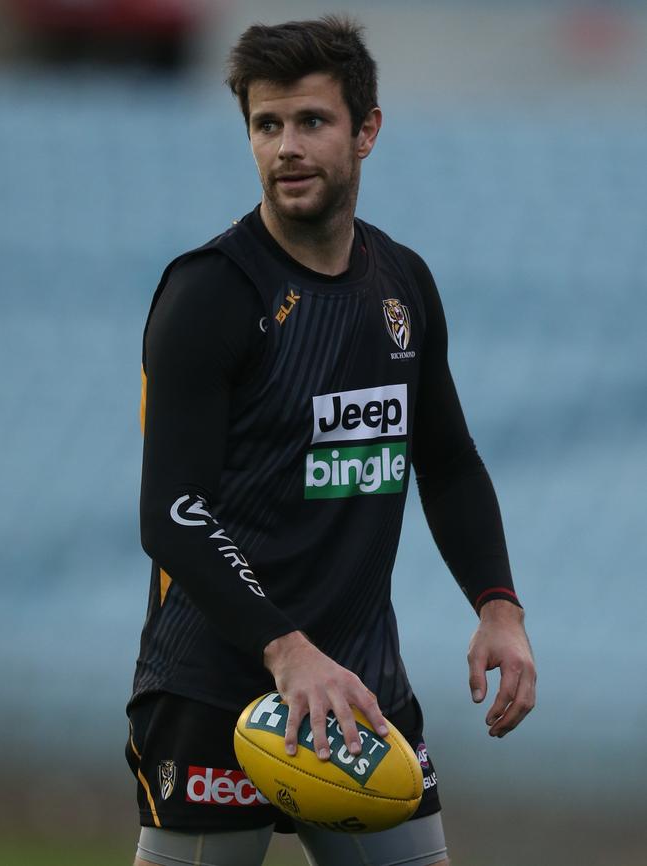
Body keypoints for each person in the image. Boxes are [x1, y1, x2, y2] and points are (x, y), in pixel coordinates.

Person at [126, 15, 536, 866]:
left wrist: (498, 606)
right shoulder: (211, 294)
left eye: (311, 121)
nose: (286, 148)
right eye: (266, 126)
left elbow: (449, 462)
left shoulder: (403, 282)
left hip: (357, 685)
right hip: (217, 686)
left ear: (367, 130)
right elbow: (173, 512)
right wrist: (286, 649)